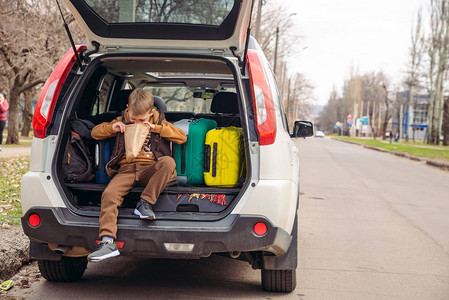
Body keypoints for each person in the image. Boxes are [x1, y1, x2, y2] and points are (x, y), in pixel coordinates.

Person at [87, 88, 187, 262]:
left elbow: (181, 137)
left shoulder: (160, 121)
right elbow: (95, 132)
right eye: (133, 117)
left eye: (141, 119)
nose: (136, 121)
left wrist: (157, 129)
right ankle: (107, 242)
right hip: (126, 169)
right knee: (109, 195)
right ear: (128, 108)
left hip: (151, 168)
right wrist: (113, 128)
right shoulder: (122, 119)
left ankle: (145, 203)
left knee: (168, 163)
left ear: (151, 112)